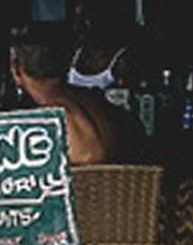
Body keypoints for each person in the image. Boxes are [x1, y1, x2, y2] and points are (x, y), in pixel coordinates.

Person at [9, 23, 146, 165]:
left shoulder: (49, 118)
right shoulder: (89, 98)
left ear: (16, 70)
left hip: (82, 185)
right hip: (114, 182)